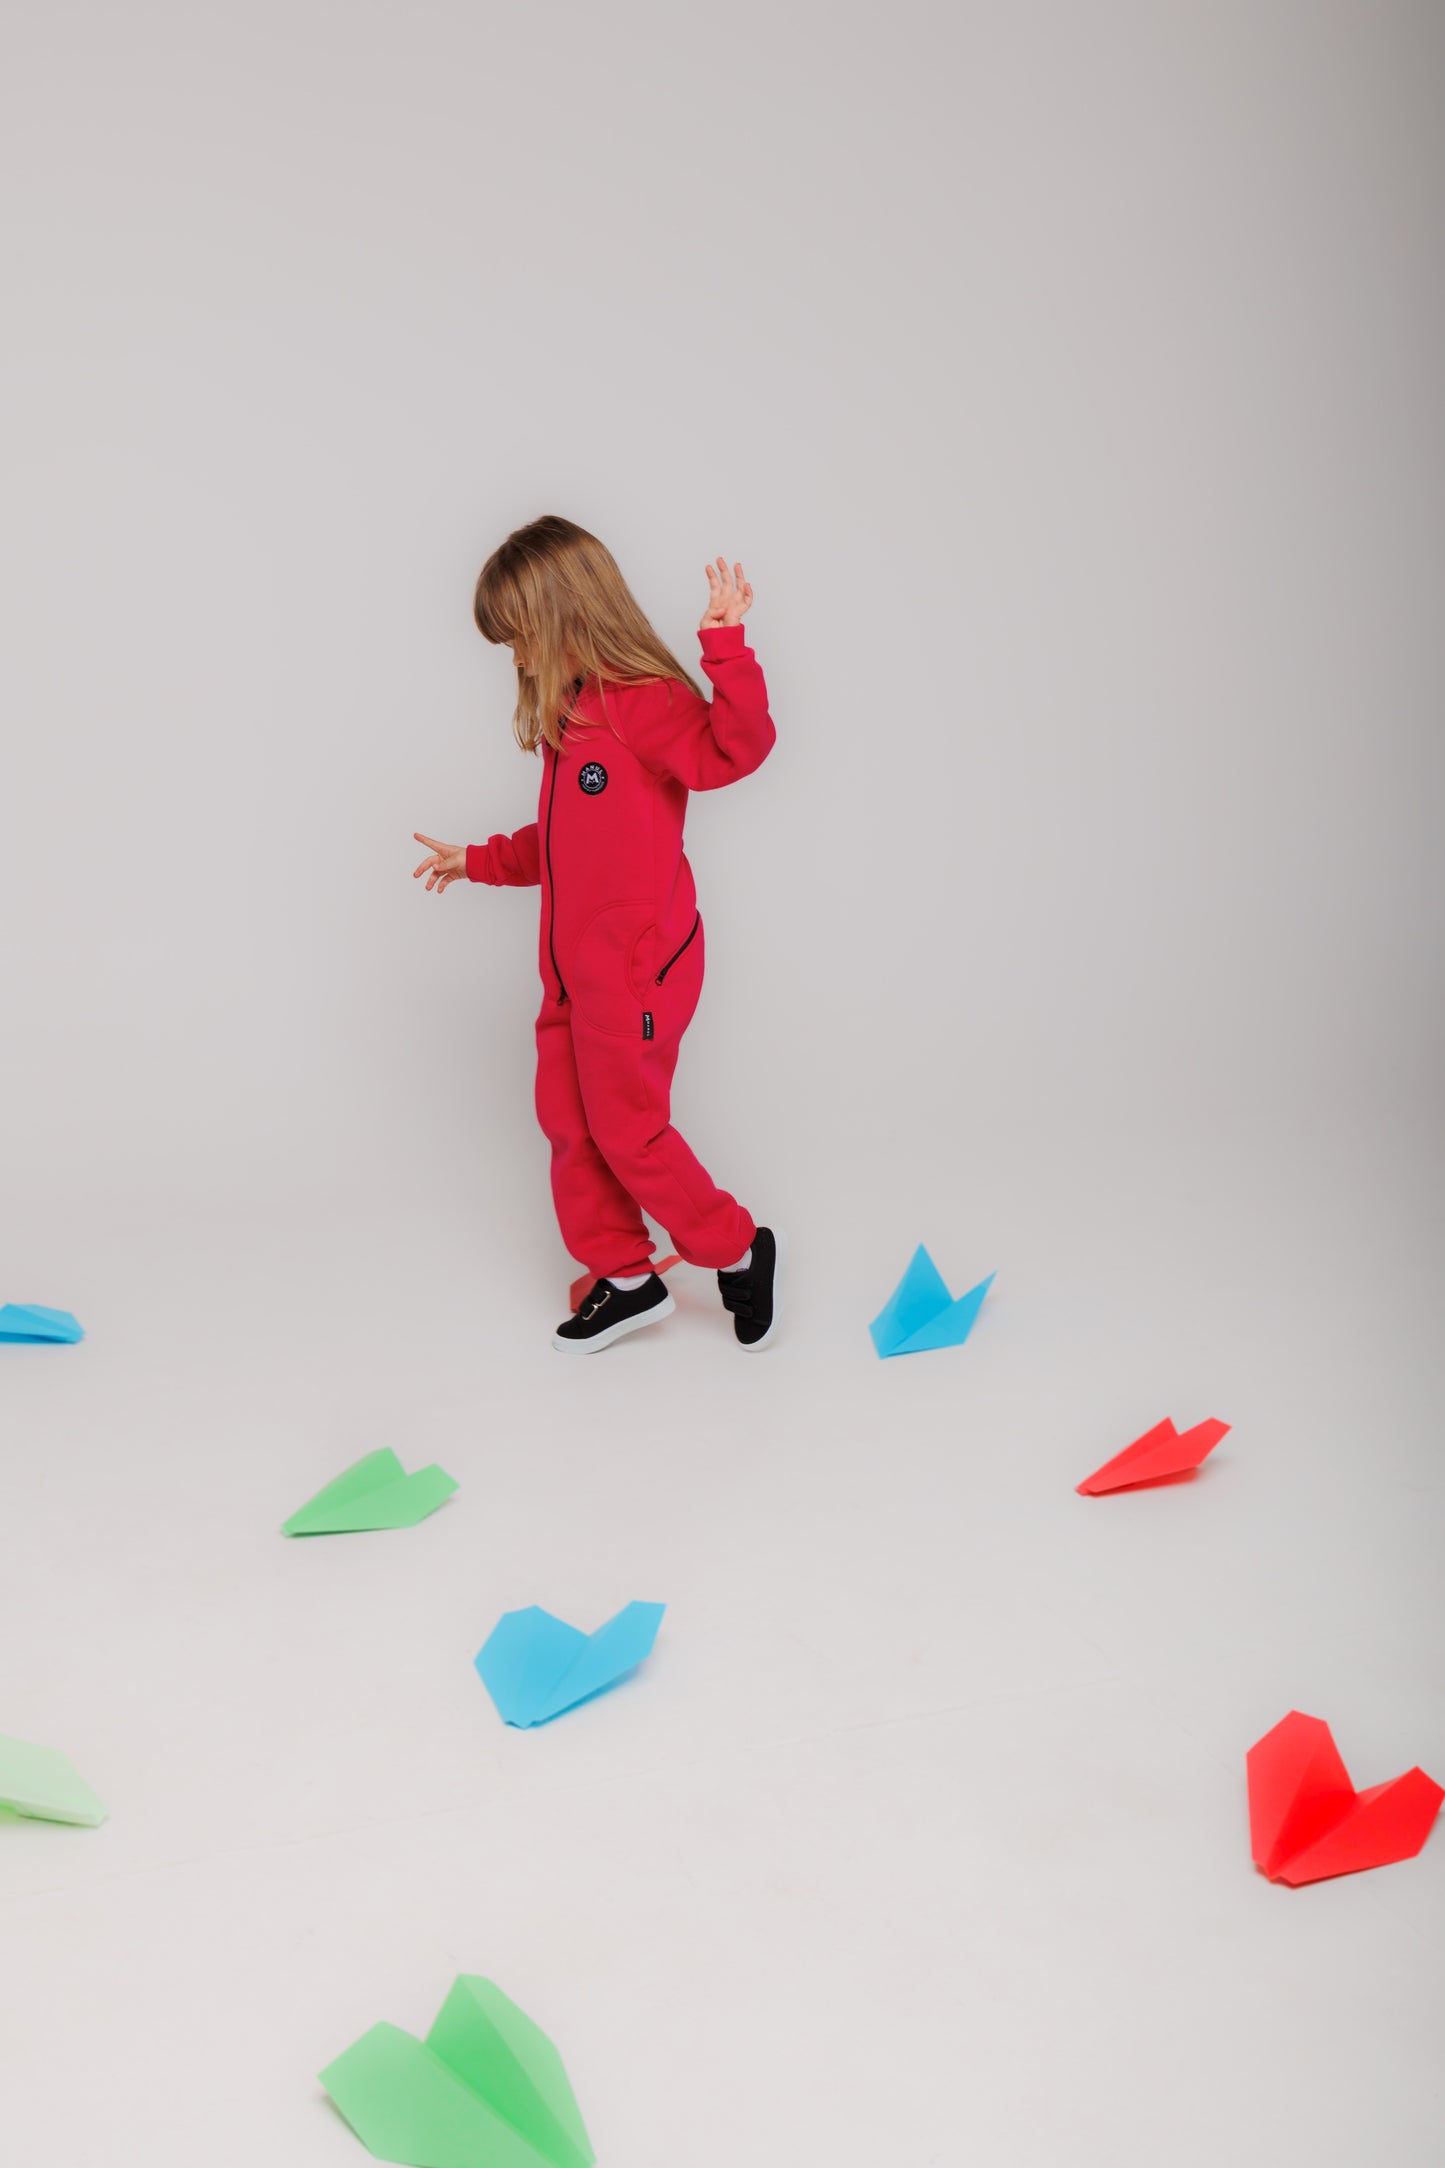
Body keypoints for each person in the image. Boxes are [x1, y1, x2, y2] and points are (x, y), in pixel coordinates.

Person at [413, 515, 784, 1356]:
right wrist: (477, 861)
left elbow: (736, 750)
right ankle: (625, 1277)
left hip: (636, 972)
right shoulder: (571, 717)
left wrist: (726, 650)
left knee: (629, 1132)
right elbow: (564, 845)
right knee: (570, 1125)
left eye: (519, 638)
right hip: (572, 975)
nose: (516, 658)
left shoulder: (644, 703)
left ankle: (738, 1247)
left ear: (564, 616)